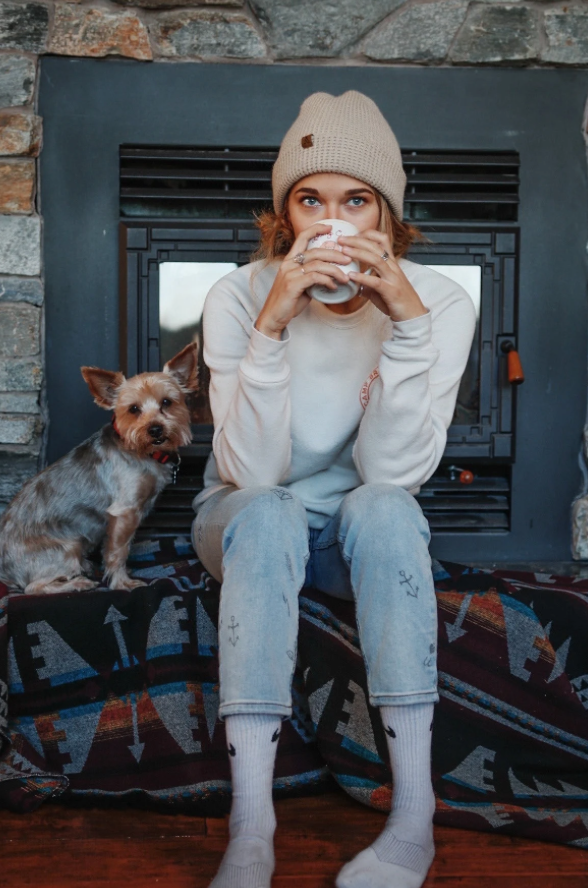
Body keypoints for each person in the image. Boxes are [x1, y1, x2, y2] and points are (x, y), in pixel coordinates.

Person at [191, 91, 477, 888]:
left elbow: (392, 476)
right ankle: (251, 829)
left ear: (386, 214)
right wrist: (271, 327)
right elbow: (252, 474)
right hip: (246, 518)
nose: (332, 222)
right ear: (286, 214)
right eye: (310, 200)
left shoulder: (439, 302)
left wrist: (409, 329)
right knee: (273, 509)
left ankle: (413, 819)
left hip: (357, 531)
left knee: (384, 507)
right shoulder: (238, 295)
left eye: (356, 201)